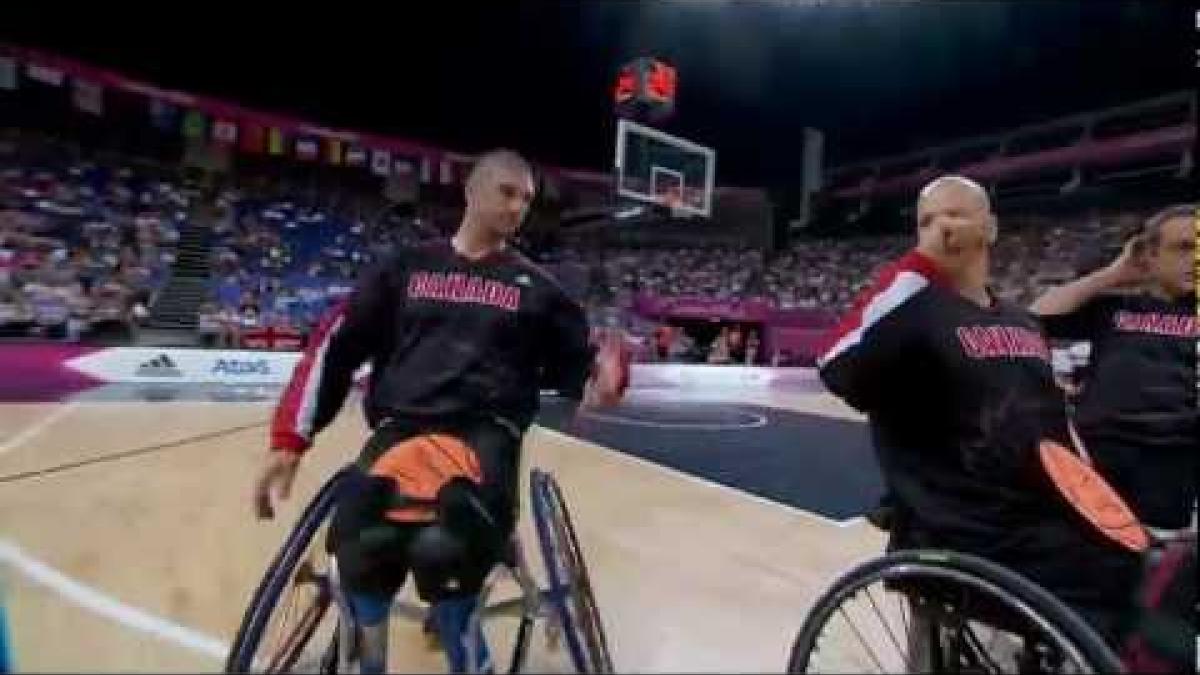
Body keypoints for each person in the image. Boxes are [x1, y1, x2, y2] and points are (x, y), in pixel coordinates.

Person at [253, 149, 628, 674]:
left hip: (484, 435)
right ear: (471, 192)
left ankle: (468, 657)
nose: (518, 207)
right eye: (507, 192)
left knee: (445, 549)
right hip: (402, 429)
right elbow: (335, 348)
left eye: (527, 199)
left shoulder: (540, 292)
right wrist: (290, 440)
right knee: (362, 540)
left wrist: (604, 383)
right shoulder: (404, 269)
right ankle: (369, 658)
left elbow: (581, 374)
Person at [816, 175, 1141, 646]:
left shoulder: (1023, 321)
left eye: (955, 213)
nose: (941, 226)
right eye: (927, 221)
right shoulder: (913, 311)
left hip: (1038, 524)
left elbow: (1054, 428)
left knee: (1155, 573)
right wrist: (919, 266)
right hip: (967, 535)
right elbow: (835, 364)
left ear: (990, 229)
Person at [1031, 205, 1197, 535]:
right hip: (1096, 456)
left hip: (1171, 461)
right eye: (1184, 248)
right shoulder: (1115, 309)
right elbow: (1033, 319)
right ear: (1149, 256)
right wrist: (1114, 275)